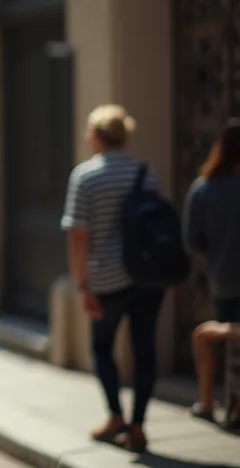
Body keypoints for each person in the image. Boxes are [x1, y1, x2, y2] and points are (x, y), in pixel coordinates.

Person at [61, 105, 163, 452]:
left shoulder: (86, 176)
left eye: (89, 130)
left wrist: (82, 284)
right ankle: (138, 425)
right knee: (144, 349)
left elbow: (77, 235)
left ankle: (116, 416)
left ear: (98, 135)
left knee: (102, 348)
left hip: (106, 279)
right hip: (147, 277)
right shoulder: (145, 173)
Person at [185, 119, 240, 428]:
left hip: (221, 278)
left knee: (223, 338)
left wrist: (214, 255)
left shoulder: (202, 188)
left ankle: (208, 400)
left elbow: (192, 239)